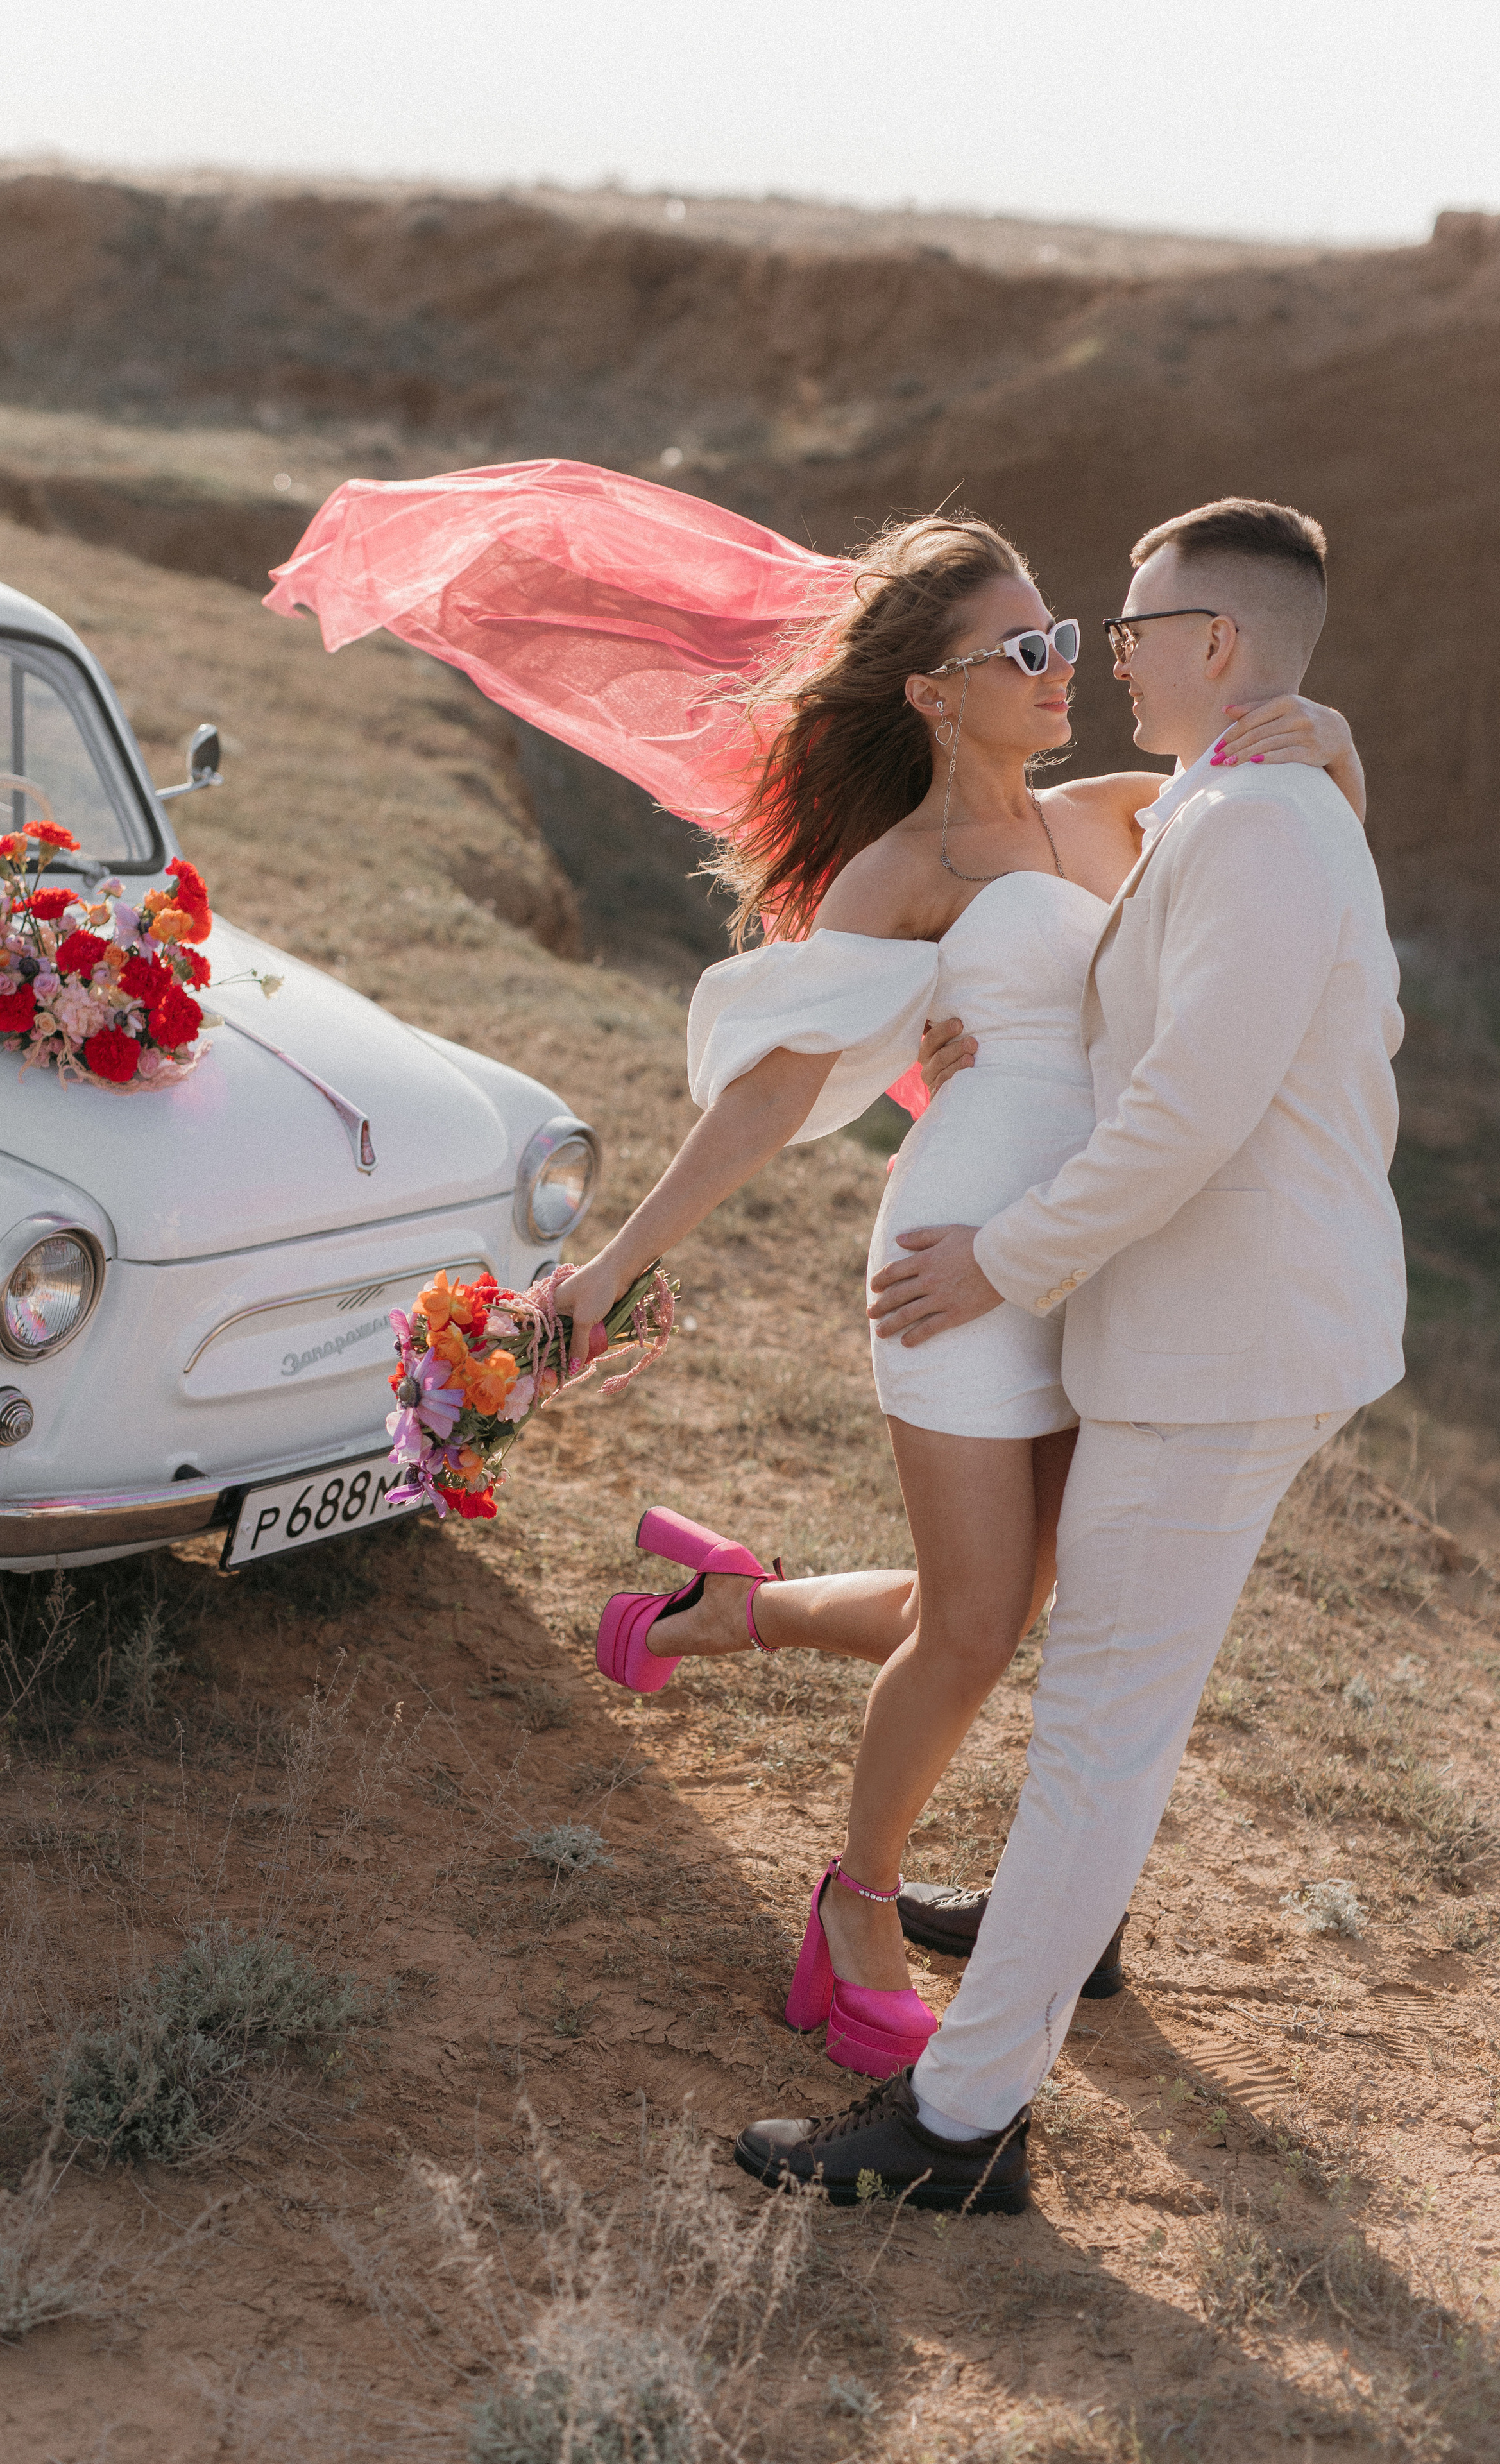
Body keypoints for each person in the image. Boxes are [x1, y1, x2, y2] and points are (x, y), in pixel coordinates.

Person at [554, 504, 1368, 2085]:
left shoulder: (1126, 809)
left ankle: (730, 1612)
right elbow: (771, 1100)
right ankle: (854, 1909)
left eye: (1068, 637)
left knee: (994, 1608)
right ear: (933, 690)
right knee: (980, 1624)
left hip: (1092, 1262)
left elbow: (1289, 864)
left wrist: (1334, 739)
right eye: (1026, 649)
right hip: (956, 1270)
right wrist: (612, 1266)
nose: (1064, 666)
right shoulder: (900, 869)